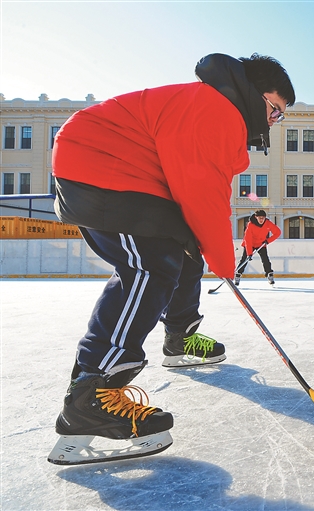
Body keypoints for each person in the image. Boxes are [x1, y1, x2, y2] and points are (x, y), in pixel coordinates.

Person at [48, 52, 295, 464]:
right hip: (102, 166)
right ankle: (92, 395)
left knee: (181, 253)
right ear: (254, 94)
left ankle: (179, 335)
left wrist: (209, 250)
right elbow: (202, 190)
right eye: (275, 109)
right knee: (149, 265)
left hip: (126, 173)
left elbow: (206, 191)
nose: (273, 121)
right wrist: (223, 257)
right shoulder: (216, 108)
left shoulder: (216, 110)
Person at [236, 209, 282, 286]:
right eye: (260, 218)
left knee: (265, 260)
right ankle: (238, 275)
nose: (261, 220)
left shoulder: (268, 223)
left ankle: (269, 274)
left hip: (261, 244)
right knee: (244, 259)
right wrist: (249, 253)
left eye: (263, 218)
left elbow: (278, 232)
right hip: (250, 244)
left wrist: (268, 240)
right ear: (256, 217)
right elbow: (248, 239)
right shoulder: (250, 225)